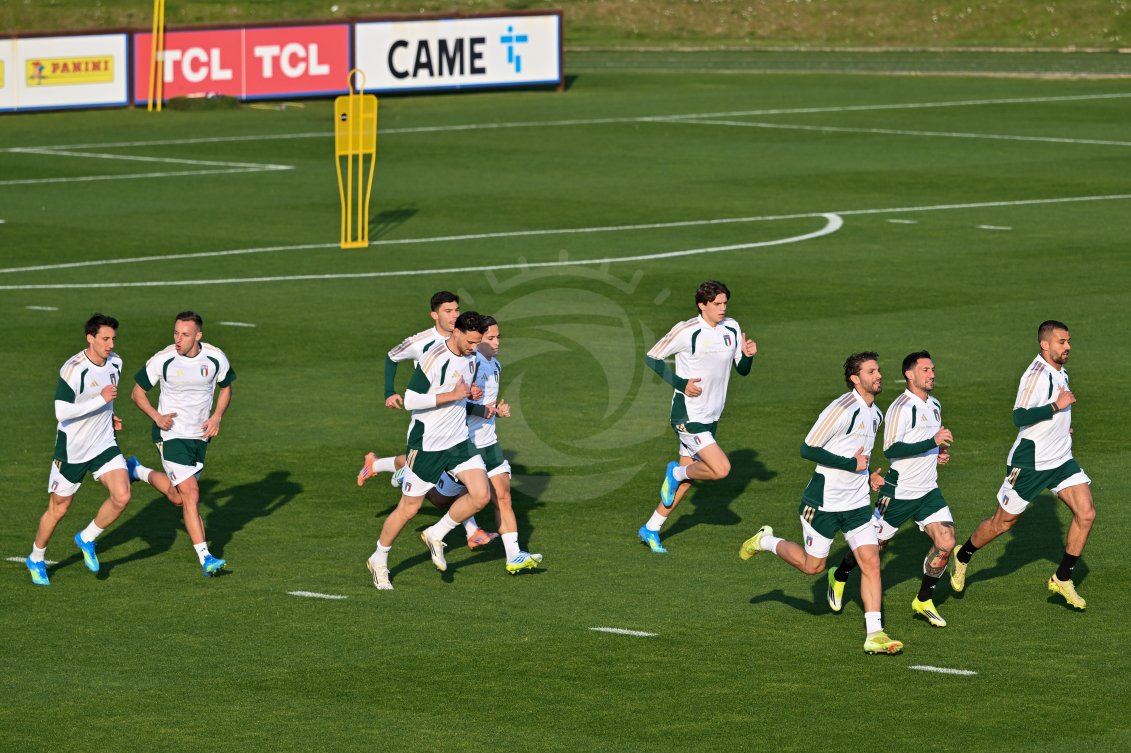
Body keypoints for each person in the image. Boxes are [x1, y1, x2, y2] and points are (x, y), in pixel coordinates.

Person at [740, 352, 904, 655]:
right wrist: (850, 464)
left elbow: (859, 458)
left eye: (878, 370)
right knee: (812, 566)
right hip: (823, 503)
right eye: (871, 371)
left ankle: (875, 633)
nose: (878, 375)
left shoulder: (875, 414)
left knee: (871, 562)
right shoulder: (841, 408)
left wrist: (868, 478)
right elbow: (808, 448)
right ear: (856, 378)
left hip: (856, 505)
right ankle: (766, 541)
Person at [950, 320, 1094, 610]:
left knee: (1086, 514)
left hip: (1060, 459)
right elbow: (1019, 417)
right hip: (1030, 464)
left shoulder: (1059, 371)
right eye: (1061, 342)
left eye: (1068, 341)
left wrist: (1062, 426)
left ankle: (1062, 577)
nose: (1067, 347)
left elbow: (1057, 410)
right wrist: (1057, 407)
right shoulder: (1036, 375)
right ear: (1045, 344)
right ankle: (963, 554)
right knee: (1002, 523)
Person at [365, 312, 494, 591]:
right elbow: (411, 399)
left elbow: (460, 395)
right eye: (471, 341)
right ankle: (379, 558)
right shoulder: (434, 359)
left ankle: (436, 532)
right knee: (408, 509)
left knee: (481, 494)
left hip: (458, 441)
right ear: (456, 332)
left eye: (478, 342)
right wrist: (453, 395)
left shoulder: (471, 357)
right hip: (426, 445)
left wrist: (474, 401)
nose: (475, 347)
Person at [827, 351, 955, 628]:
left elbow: (924, 444)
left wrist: (936, 452)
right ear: (909, 375)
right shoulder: (901, 408)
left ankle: (923, 600)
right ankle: (839, 575)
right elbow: (892, 448)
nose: (931, 374)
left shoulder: (934, 405)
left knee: (946, 542)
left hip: (928, 491)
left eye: (933, 369)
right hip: (898, 493)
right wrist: (931, 441)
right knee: (874, 546)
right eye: (925, 370)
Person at [638, 280, 757, 553]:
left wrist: (749, 356)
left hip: (712, 414)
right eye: (717, 304)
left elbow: (743, 369)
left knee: (689, 479)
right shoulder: (686, 330)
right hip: (688, 414)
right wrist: (681, 384)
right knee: (720, 469)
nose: (722, 309)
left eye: (725, 303)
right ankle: (675, 471)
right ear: (702, 305)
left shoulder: (732, 327)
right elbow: (652, 358)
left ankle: (651, 528)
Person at [430, 316, 542, 574]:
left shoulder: (496, 365)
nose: (496, 342)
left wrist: (496, 411)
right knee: (440, 498)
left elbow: (486, 405)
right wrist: (481, 408)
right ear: (477, 340)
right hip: (465, 443)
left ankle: (514, 555)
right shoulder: (469, 365)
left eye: (498, 337)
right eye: (490, 338)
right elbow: (454, 403)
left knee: (502, 495)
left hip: (489, 442)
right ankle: (407, 471)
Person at [26, 314, 132, 585]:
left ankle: (87, 538)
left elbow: (105, 402)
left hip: (103, 442)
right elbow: (61, 412)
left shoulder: (116, 363)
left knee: (122, 496)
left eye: (113, 339)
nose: (110, 344)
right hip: (72, 449)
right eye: (105, 339)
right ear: (90, 338)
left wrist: (109, 414)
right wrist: (101, 401)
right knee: (58, 510)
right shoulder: (74, 369)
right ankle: (36, 557)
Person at [127, 311, 235, 577]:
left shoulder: (215, 357)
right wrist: (157, 416)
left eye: (185, 334)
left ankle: (137, 471)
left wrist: (217, 417)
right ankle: (206, 557)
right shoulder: (163, 359)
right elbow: (137, 392)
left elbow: (226, 387)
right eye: (176, 332)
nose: (178, 339)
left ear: (198, 335)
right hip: (170, 435)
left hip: (199, 437)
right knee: (192, 494)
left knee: (179, 498)